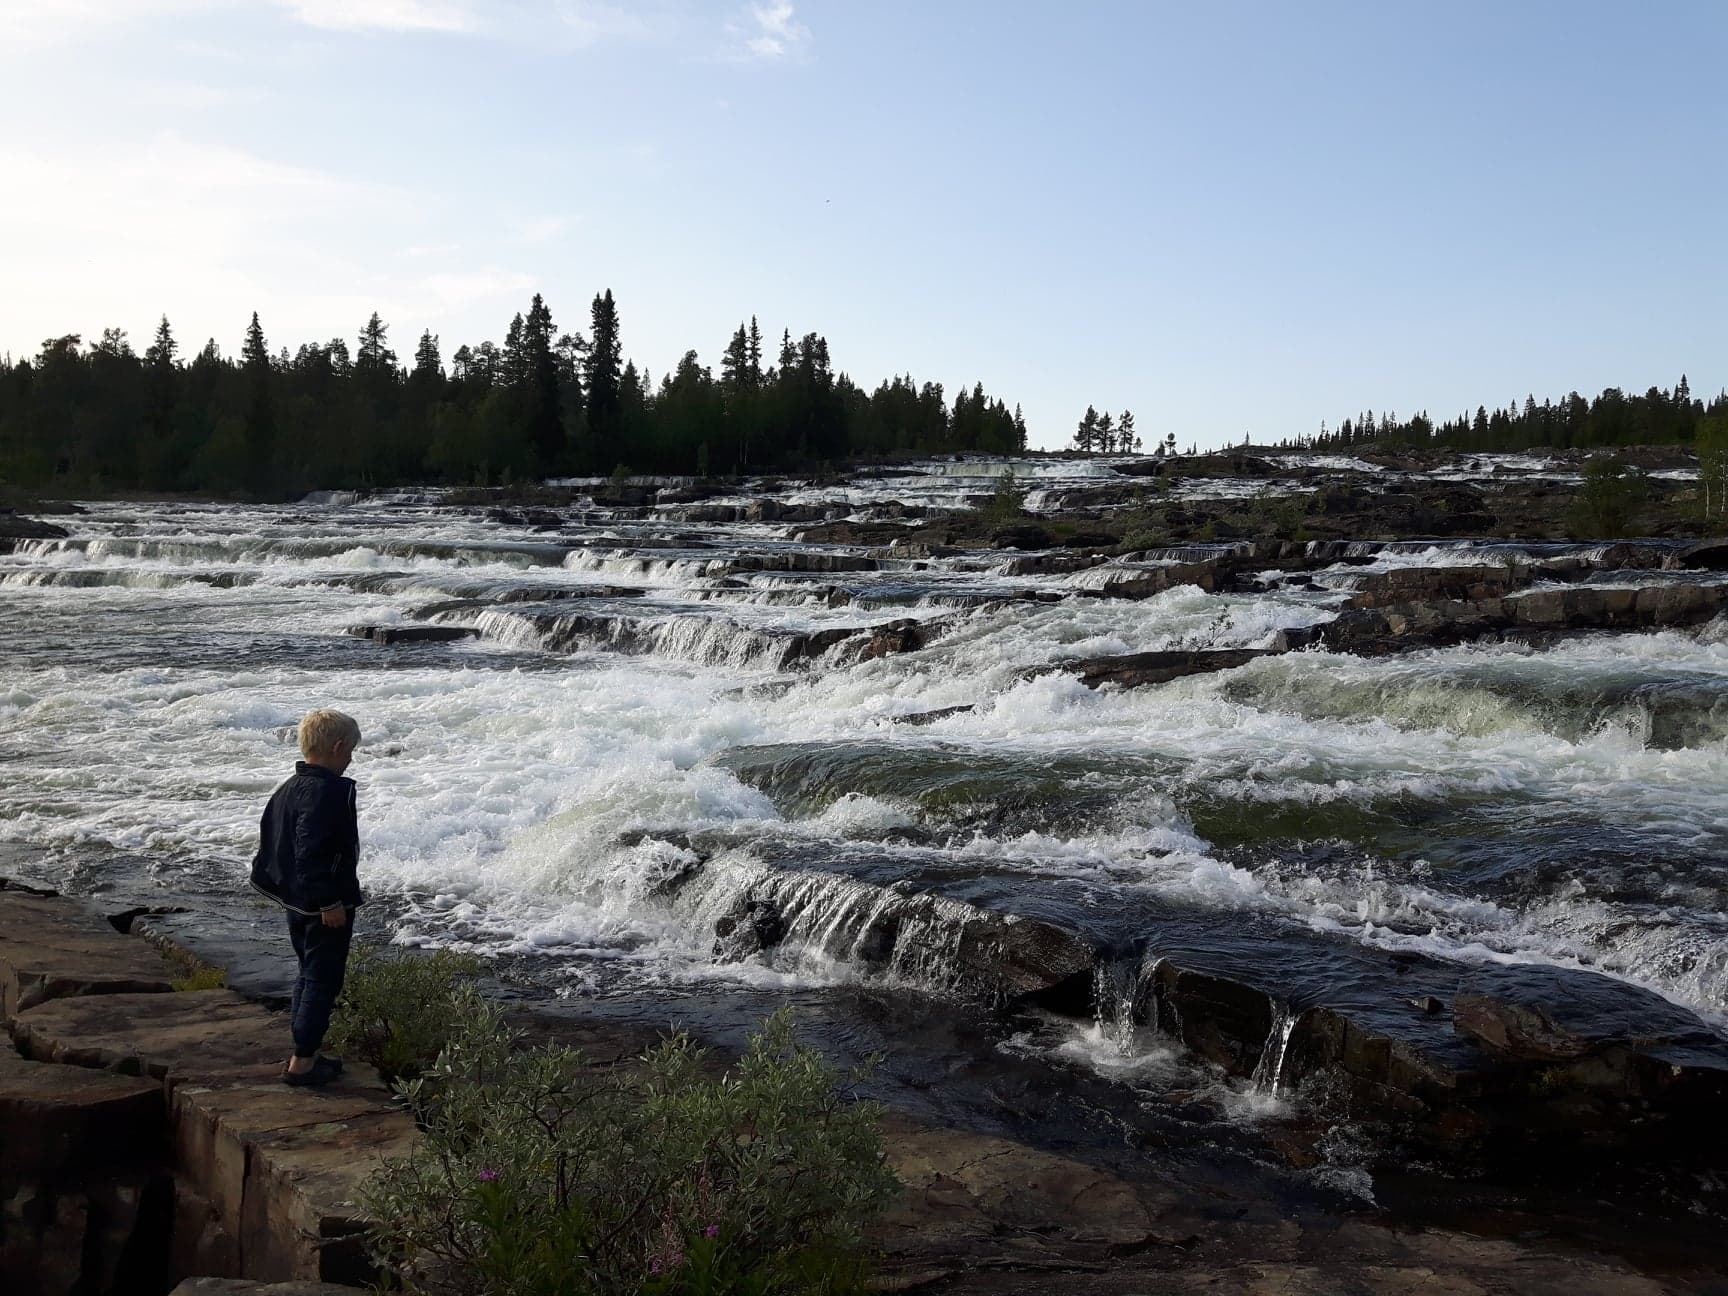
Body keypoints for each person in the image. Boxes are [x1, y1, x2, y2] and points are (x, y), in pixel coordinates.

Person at [250, 708, 364, 1087]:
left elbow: (273, 841)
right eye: (350, 752)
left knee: (309, 972)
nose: (350, 759)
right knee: (322, 979)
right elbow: (309, 850)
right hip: (321, 905)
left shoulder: (290, 787)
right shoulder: (325, 791)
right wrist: (329, 902)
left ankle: (305, 1051)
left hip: (297, 901)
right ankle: (302, 1063)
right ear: (337, 746)